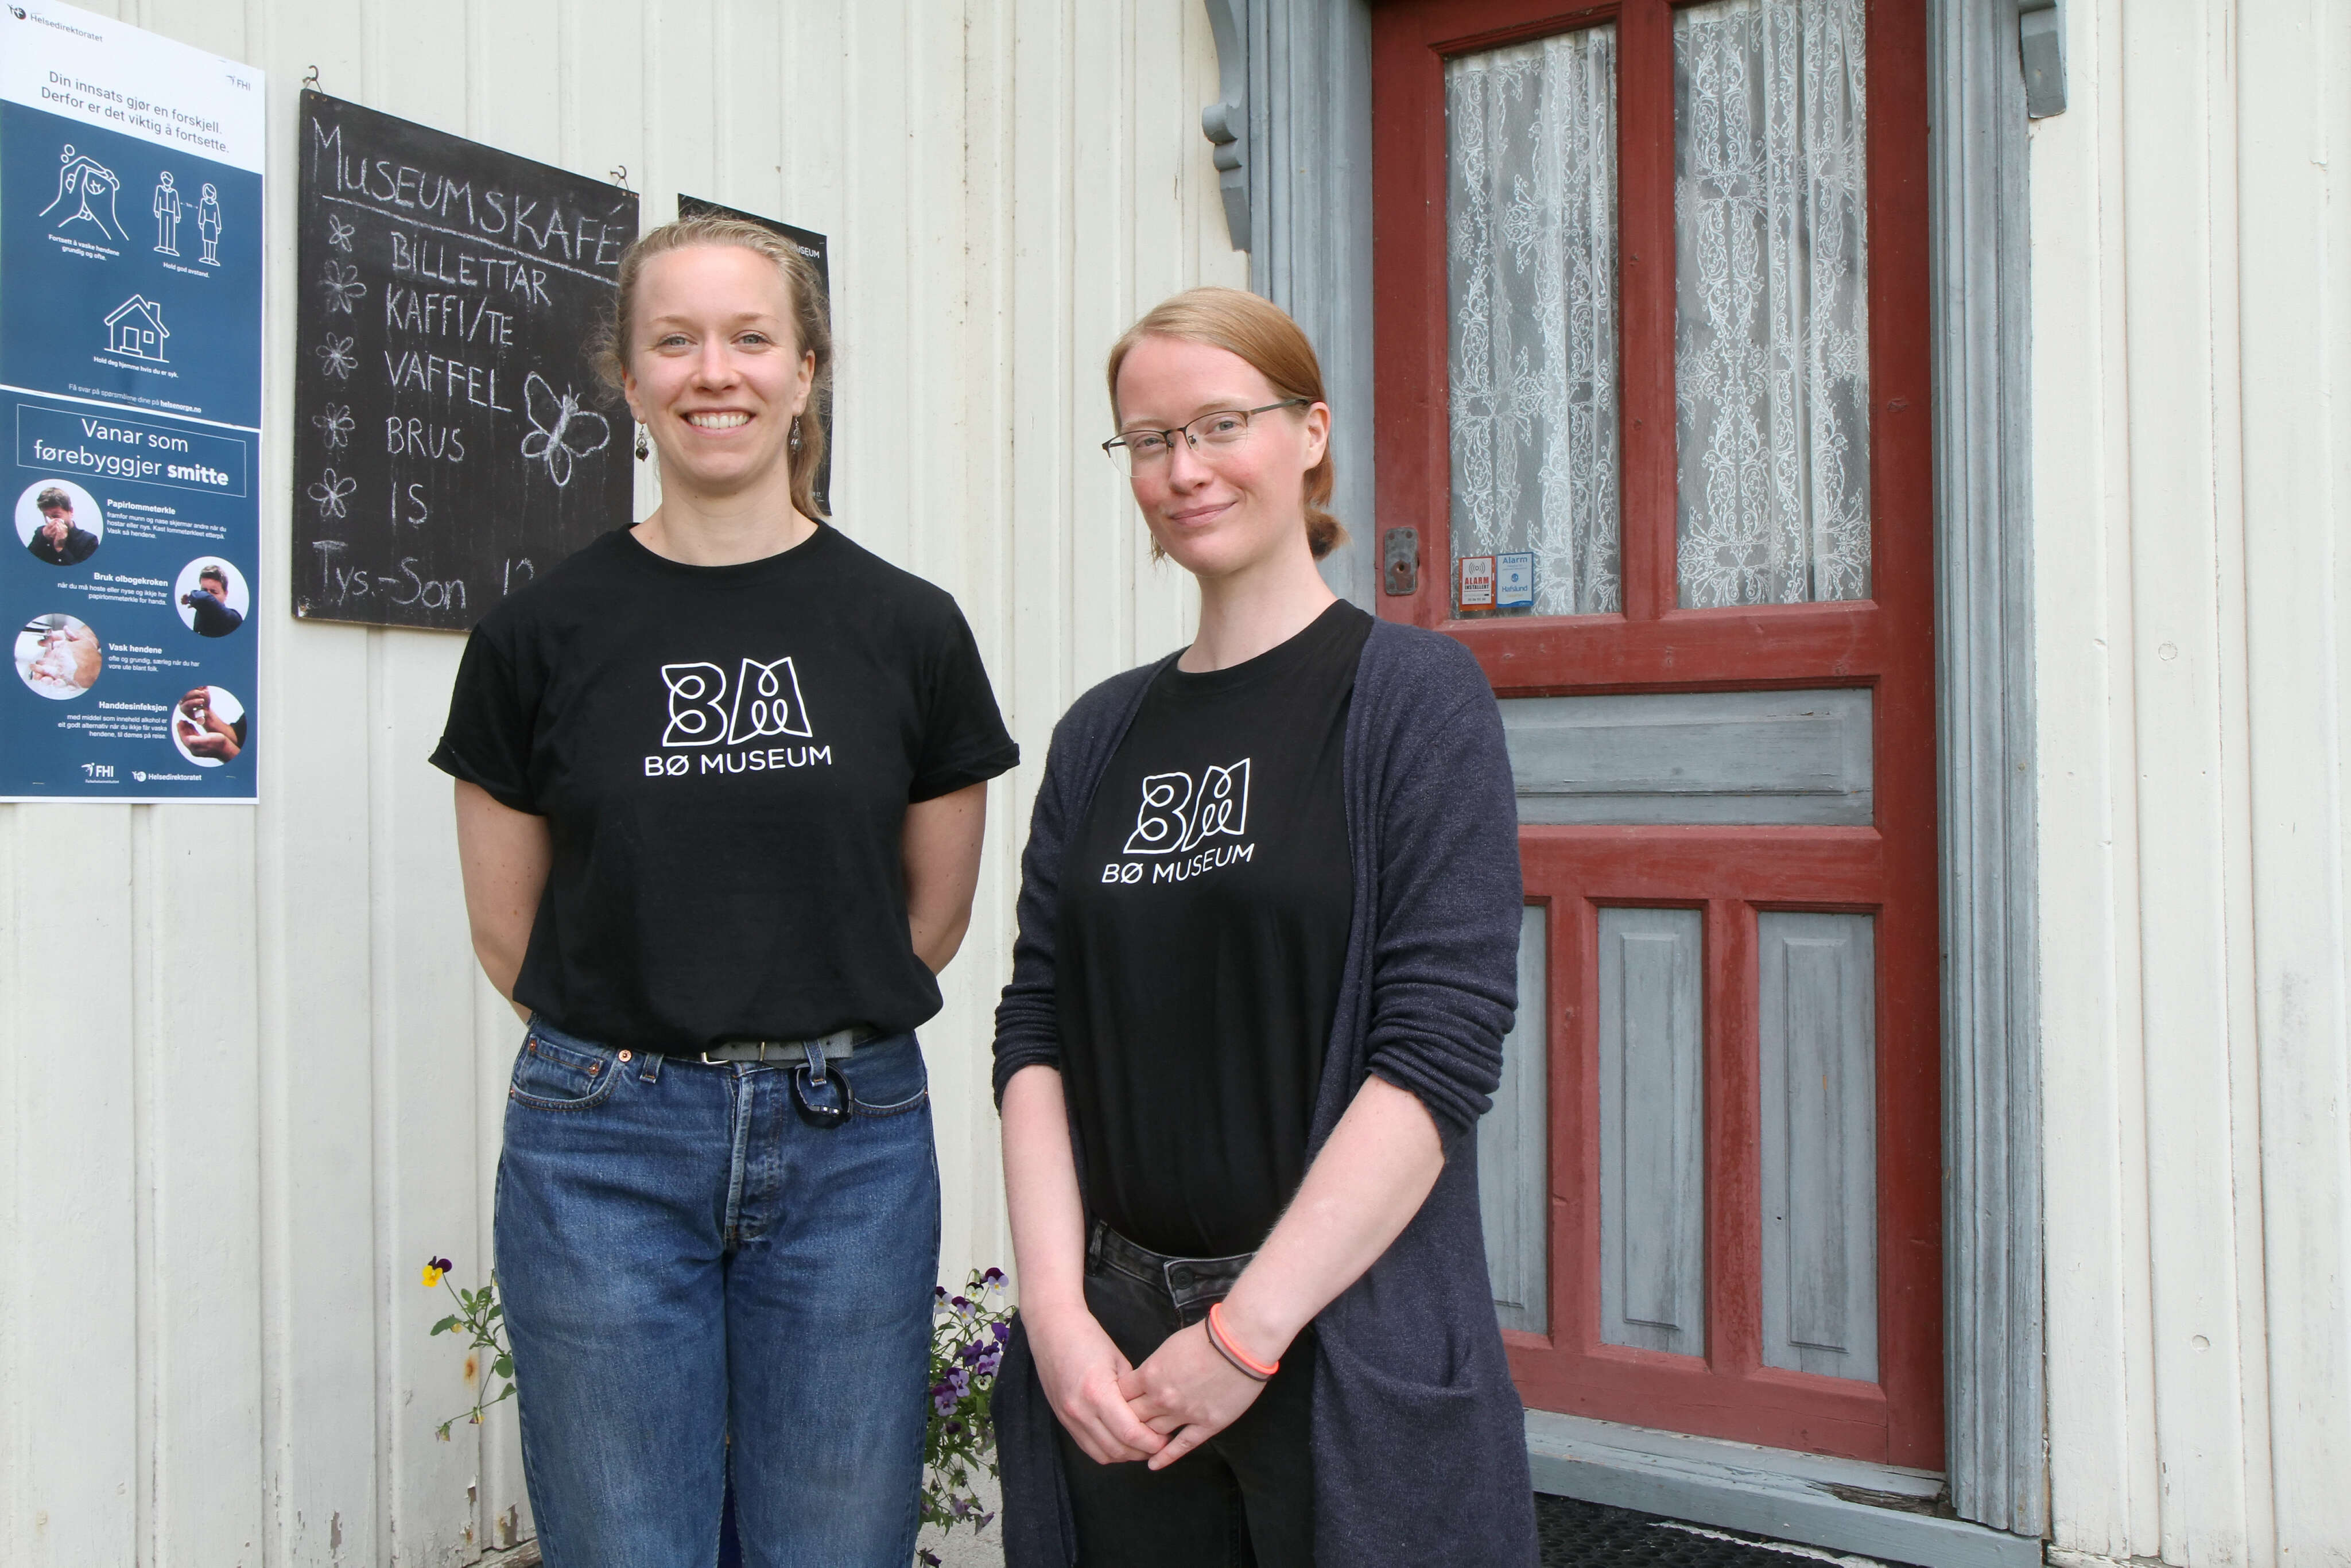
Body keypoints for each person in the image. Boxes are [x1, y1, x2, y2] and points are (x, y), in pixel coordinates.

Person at [432, 215, 1019, 1568]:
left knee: (836, 1542)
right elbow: (508, 931)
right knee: (627, 1541)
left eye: (752, 337)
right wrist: (643, 1055)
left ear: (806, 371)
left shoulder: (908, 628)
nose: (716, 371)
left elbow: (929, 917)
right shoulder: (535, 636)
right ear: (628, 380)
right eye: (675, 340)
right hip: (603, 1150)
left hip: (850, 1146)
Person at [992, 287, 1539, 1566]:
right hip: (1118, 1359)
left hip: (1333, 1336)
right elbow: (1034, 1030)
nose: (1183, 469)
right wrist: (1058, 1319)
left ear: (1310, 433)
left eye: (1219, 424)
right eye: (1148, 440)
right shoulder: (1099, 734)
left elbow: (1438, 1051)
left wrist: (1244, 1336)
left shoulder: (1415, 700)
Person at [26, 488, 98, 565]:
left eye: (56, 516)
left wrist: (60, 548)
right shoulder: (41, 533)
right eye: (47, 517)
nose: (51, 522)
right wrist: (43, 538)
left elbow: (83, 571)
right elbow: (25, 563)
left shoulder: (89, 541)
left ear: (71, 512)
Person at [183, 564, 243, 636]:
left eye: (214, 592)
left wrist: (190, 597)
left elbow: (205, 599)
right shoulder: (200, 610)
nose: (208, 596)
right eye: (204, 591)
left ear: (225, 594)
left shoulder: (233, 618)